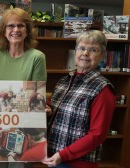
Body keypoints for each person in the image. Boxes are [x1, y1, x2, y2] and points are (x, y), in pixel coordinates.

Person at [43, 30, 115, 168]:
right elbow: (53, 110)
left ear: (102, 55)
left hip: (78, 163)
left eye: (93, 50)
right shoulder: (64, 81)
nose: (85, 54)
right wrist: (48, 111)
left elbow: (97, 135)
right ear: (75, 51)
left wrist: (64, 155)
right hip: (54, 158)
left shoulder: (103, 89)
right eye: (81, 48)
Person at [0, 7, 47, 168]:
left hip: (23, 127)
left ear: (27, 30)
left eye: (20, 25)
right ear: (3, 31)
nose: (15, 30)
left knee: (18, 165)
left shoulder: (37, 57)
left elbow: (36, 96)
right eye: (10, 26)